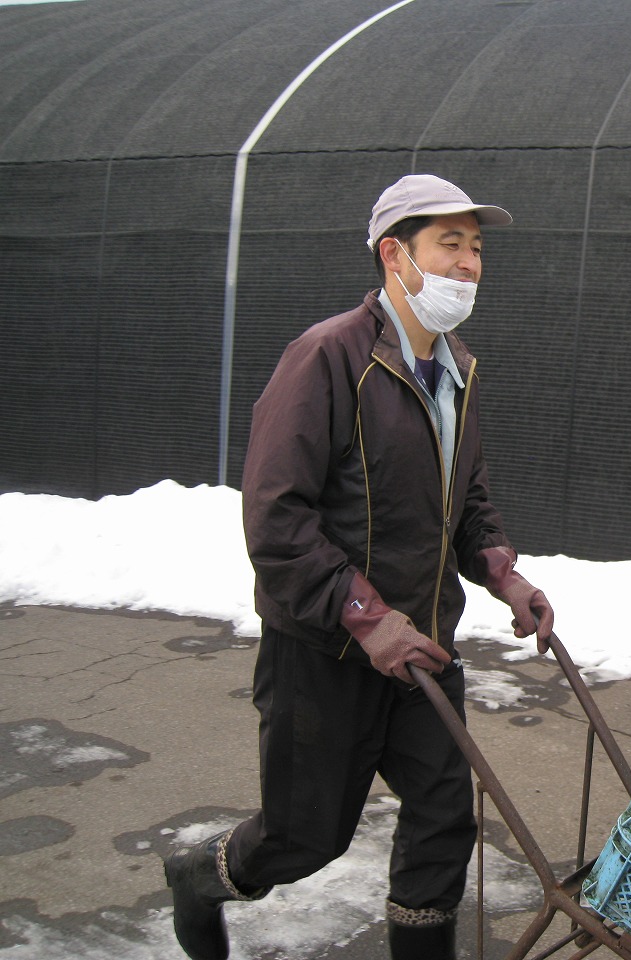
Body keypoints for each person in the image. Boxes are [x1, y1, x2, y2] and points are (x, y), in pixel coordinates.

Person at [163, 174, 554, 960]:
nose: (470, 263)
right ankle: (198, 877)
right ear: (393, 255)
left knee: (446, 816)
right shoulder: (327, 359)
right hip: (326, 652)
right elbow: (276, 520)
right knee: (305, 838)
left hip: (424, 649)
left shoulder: (458, 369)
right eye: (450, 243)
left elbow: (464, 500)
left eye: (476, 248)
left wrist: (503, 572)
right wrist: (368, 620)